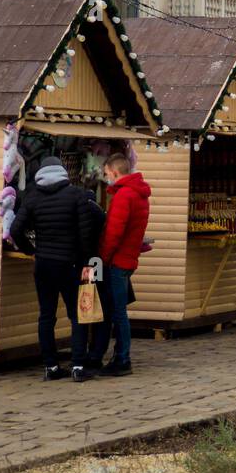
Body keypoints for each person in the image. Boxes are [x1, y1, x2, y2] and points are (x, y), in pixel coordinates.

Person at [10, 156, 102, 381]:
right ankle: (78, 366)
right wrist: (86, 263)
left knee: (46, 316)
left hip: (43, 265)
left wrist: (31, 250)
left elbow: (15, 229)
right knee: (77, 315)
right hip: (71, 265)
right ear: (62, 173)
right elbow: (86, 235)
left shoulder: (32, 197)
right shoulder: (77, 195)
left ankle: (50, 366)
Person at [88, 153, 151, 376]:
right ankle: (117, 356)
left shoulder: (124, 196)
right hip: (128, 258)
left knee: (117, 312)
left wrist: (102, 257)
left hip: (118, 260)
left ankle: (122, 358)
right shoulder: (139, 194)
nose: (106, 178)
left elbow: (114, 232)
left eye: (106, 174)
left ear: (115, 172)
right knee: (118, 310)